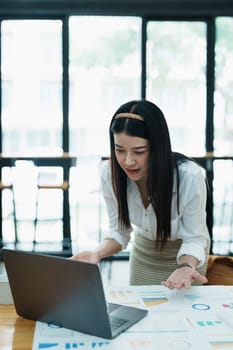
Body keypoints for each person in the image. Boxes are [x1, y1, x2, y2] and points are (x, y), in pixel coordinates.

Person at [71, 99, 210, 289]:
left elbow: (194, 238)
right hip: (145, 253)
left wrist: (186, 267)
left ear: (158, 148)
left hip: (187, 259)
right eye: (119, 150)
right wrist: (97, 253)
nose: (128, 161)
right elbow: (119, 231)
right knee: (143, 313)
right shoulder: (109, 174)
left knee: (181, 315)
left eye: (139, 151)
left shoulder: (189, 177)